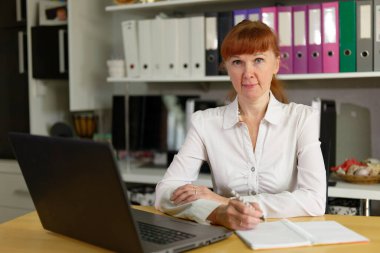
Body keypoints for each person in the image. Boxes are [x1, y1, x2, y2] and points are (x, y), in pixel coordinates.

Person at [155, 20, 326, 230]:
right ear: (226, 67)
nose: (248, 73)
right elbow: (165, 192)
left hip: (285, 237)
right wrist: (216, 214)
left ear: (276, 64)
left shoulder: (302, 118)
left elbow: (315, 200)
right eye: (237, 62)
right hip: (226, 237)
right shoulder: (205, 123)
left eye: (259, 60)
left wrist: (223, 202)